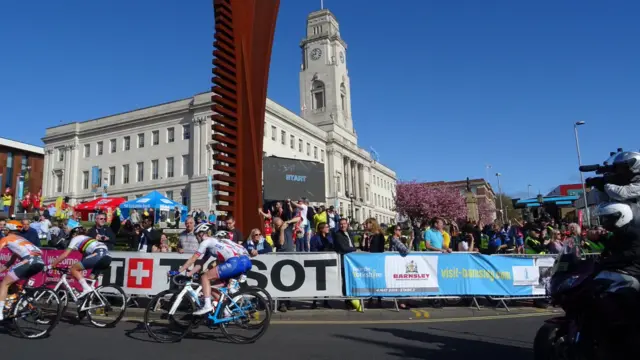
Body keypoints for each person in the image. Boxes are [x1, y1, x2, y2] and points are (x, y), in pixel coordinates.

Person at [174, 224, 254, 316]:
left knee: (205, 277)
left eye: (196, 235)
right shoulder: (216, 241)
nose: (196, 238)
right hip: (245, 261)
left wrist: (178, 271)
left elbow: (193, 259)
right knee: (210, 286)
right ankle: (226, 311)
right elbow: (201, 262)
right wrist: (188, 274)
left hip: (234, 262)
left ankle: (207, 306)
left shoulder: (206, 242)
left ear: (201, 234)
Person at [46, 220, 112, 299]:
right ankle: (88, 304)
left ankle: (86, 289)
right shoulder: (88, 238)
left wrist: (51, 265)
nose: (66, 231)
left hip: (99, 255)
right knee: (89, 280)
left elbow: (65, 255)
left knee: (74, 269)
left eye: (66, 229)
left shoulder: (76, 238)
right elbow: (85, 258)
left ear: (73, 231)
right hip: (107, 257)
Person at [0, 232, 45, 320]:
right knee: (13, 283)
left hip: (29, 261)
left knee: (4, 283)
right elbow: (10, 263)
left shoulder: (6, 239)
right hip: (40, 263)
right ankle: (24, 302)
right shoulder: (21, 242)